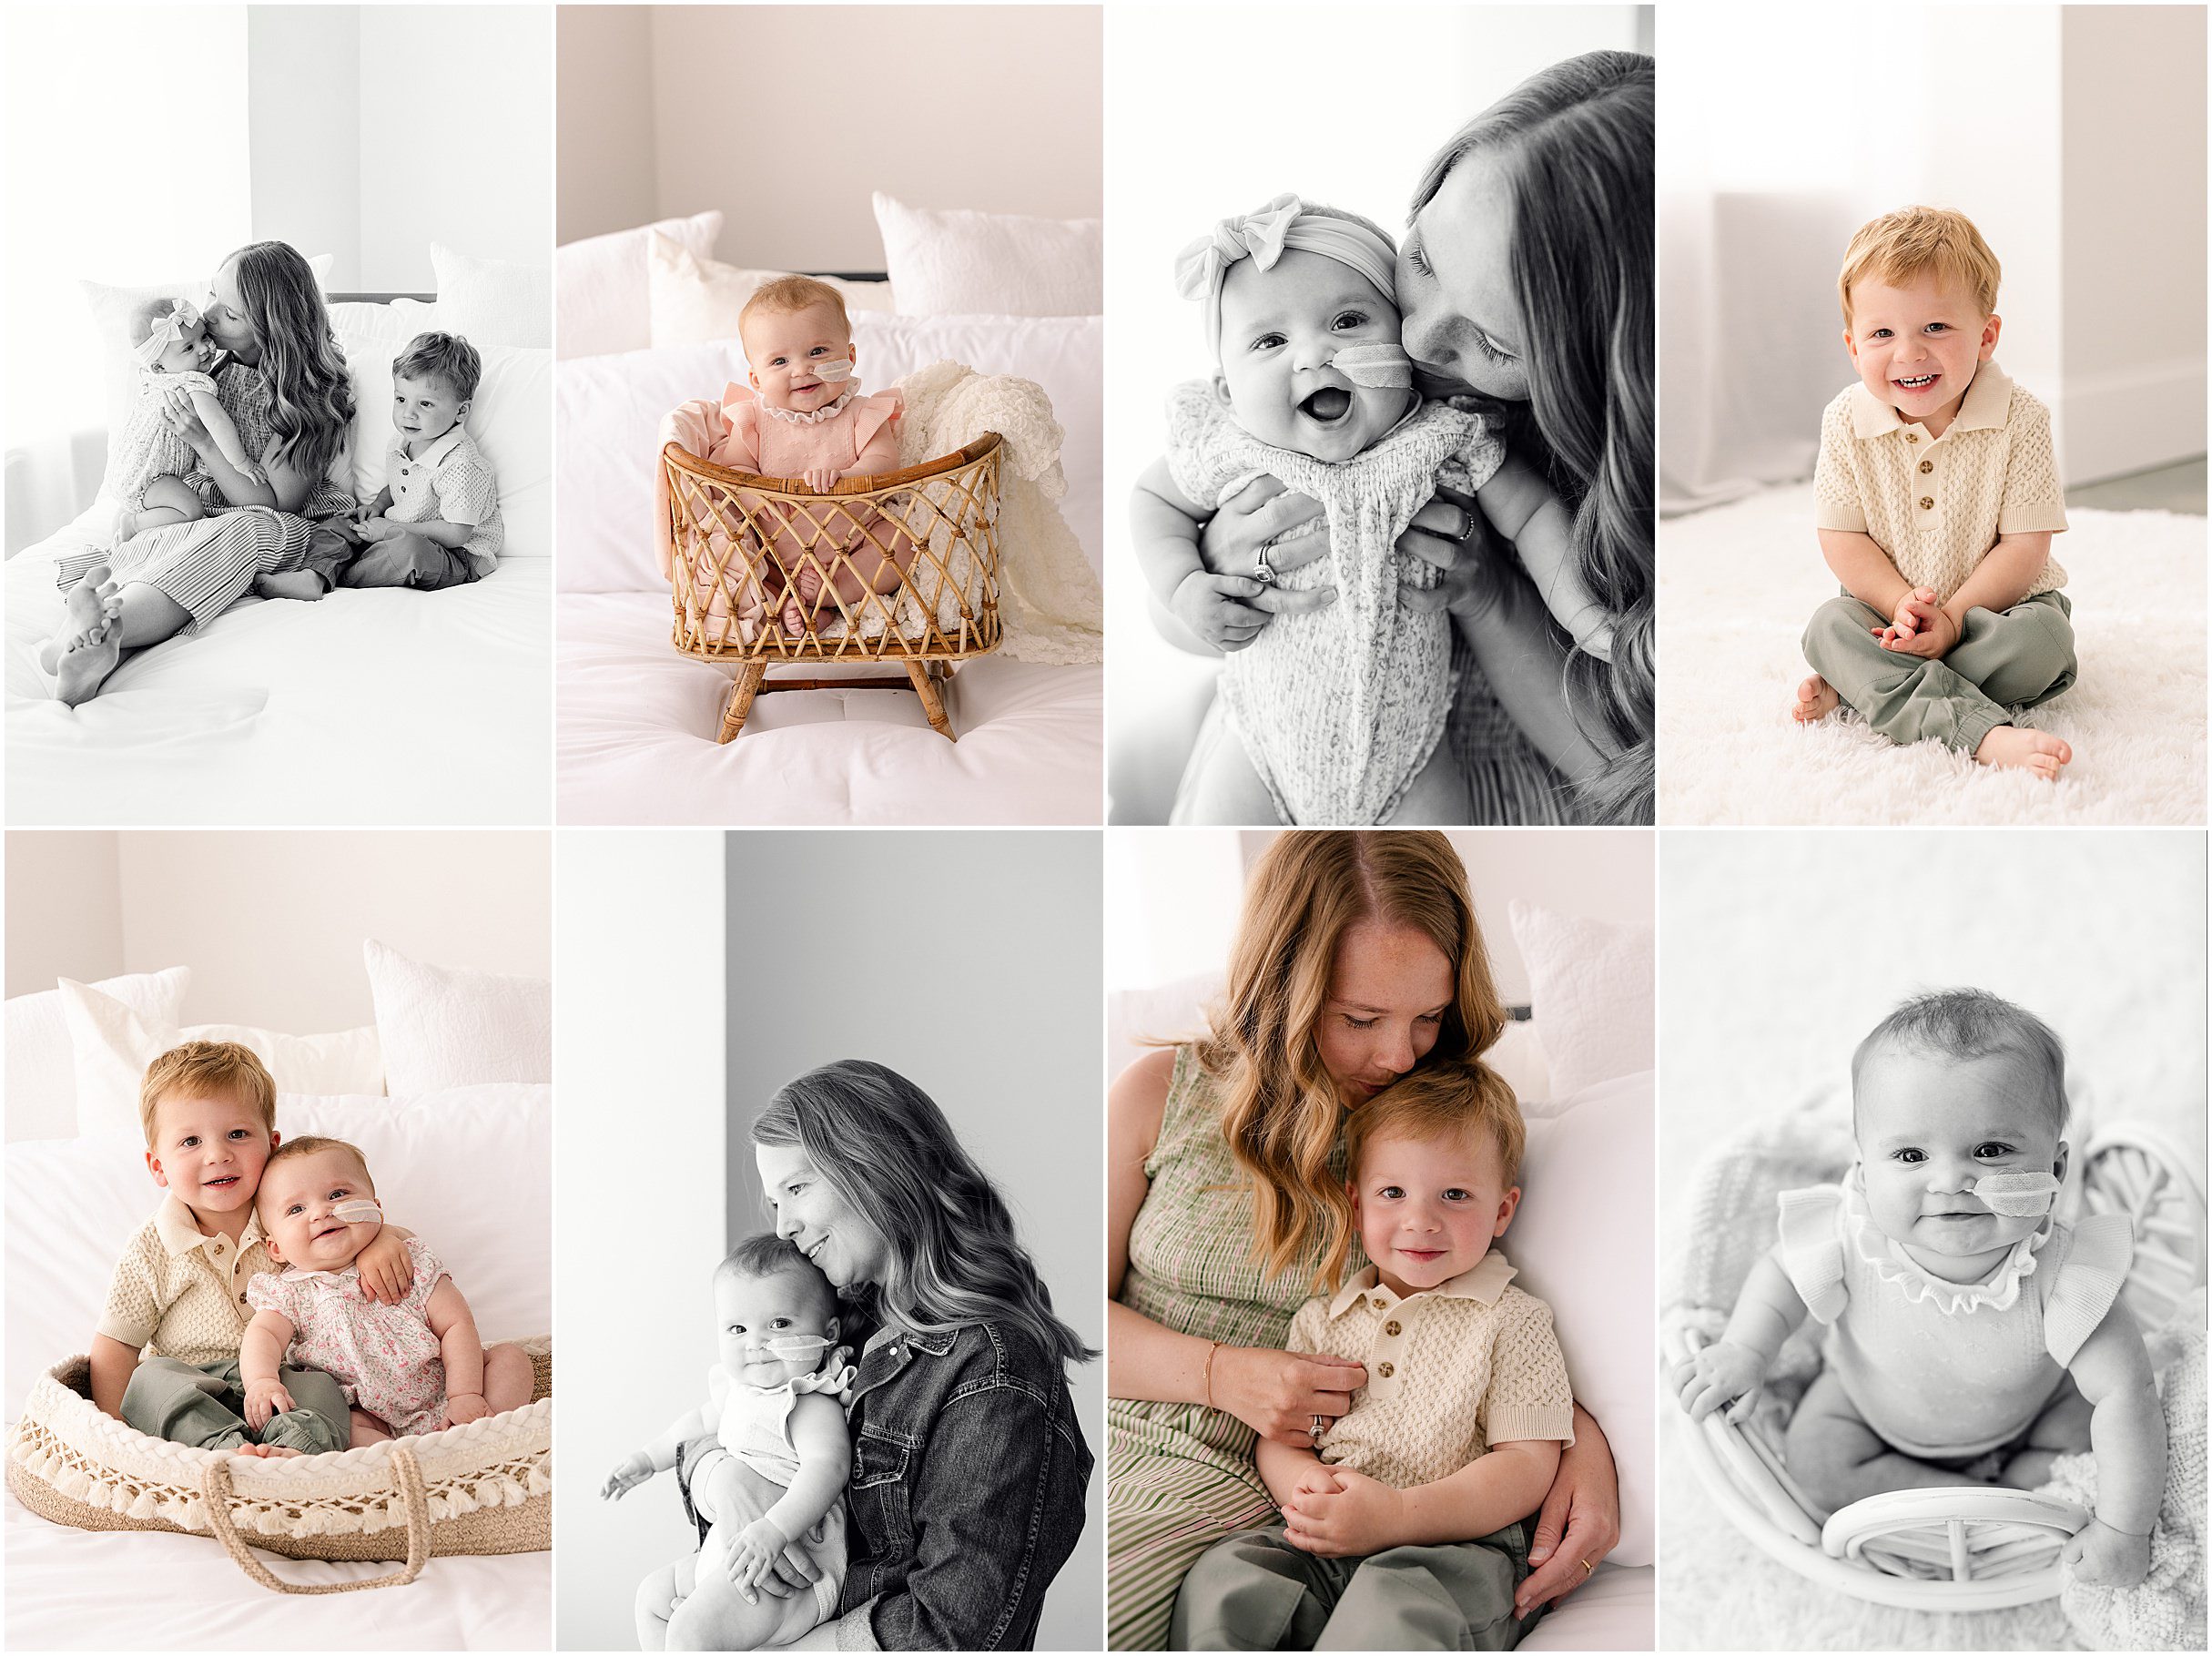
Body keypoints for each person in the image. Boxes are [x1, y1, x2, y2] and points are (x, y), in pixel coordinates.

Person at [1107, 830, 1621, 1648]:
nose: (1396, 1055)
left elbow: (1475, 1322)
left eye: (1429, 1016)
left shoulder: (1427, 1137)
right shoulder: (1155, 1094)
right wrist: (1219, 1373)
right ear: (1282, 989)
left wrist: (1583, 1445)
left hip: (1256, 1485)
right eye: (1360, 1018)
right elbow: (1059, 1315)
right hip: (1109, 1428)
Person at [1172, 53, 1653, 826]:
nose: (1419, 341)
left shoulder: (1479, 446)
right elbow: (1172, 590)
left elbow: (1628, 769)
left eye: (1493, 345)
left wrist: (1493, 598)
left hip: (1462, 763)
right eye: (1422, 261)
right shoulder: (1306, 359)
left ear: (1590, 369)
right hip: (1271, 737)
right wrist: (1205, 570)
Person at [1672, 989, 2160, 1587]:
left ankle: (2003, 1501)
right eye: (1910, 1154)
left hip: (2028, 1416)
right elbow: (1780, 1276)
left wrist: (2124, 1531)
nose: (1951, 1179)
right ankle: (1960, 1502)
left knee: (2085, 1435)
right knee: (1818, 1460)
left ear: (2055, 1170)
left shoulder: (2064, 1271)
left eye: (1991, 1150)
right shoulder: (1850, 1238)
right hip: (1867, 1406)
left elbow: (2126, 1393)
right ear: (1861, 1172)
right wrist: (1748, 1349)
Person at [1132, 196, 1595, 827]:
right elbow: (1153, 501)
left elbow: (1533, 513)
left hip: (1412, 756)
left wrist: (1583, 613)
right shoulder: (1232, 449)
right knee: (1238, 875)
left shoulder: (1436, 438)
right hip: (1261, 746)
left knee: (1430, 869)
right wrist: (1185, 584)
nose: (1313, 355)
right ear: (1225, 391)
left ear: (1404, 346)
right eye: (1270, 340)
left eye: (1348, 322)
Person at [672, 1059, 1091, 1650]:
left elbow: (953, 1627)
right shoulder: (840, 1323)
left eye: (796, 1188)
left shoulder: (994, 1367)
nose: (784, 1227)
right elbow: (729, 1413)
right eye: (774, 1203)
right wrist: (723, 1476)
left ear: (875, 1167)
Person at [1173, 1061, 1573, 1649]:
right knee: (1231, 1577)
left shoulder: (1512, 1318)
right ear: (1357, 1205)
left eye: (1456, 1194)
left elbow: (1527, 1465)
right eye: (1394, 1192)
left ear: (1503, 1210)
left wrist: (1402, 1515)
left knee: (1394, 1613)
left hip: (1451, 1545)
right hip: (1325, 1536)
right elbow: (1282, 1436)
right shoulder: (1323, 1318)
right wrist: (1311, 1489)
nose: (1421, 1220)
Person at [1792, 207, 2077, 779]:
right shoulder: (1845, 420)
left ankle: (1871, 690)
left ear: (1986, 336)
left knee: (2046, 641)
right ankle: (1978, 732)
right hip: (1884, 615)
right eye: (1882, 334)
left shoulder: (2021, 419)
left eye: (1936, 328)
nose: (1908, 353)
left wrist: (1950, 619)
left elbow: (2025, 549)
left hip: (1996, 613)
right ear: (1853, 347)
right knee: (1827, 629)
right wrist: (1900, 604)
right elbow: (1842, 538)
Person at [46, 240, 361, 706]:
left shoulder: (308, 395)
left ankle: (112, 628)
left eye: (230, 313)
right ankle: (72, 647)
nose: (209, 315)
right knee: (168, 535)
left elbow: (274, 504)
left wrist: (204, 441)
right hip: (206, 507)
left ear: (272, 329)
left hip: (274, 522)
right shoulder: (211, 366)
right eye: (213, 295)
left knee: (233, 531)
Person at [88, 1042, 413, 1456]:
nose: (218, 1155)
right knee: (149, 1380)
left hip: (282, 1383)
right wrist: (114, 1433)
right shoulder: (151, 1249)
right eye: (190, 1141)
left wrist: (380, 1239)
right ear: (158, 1166)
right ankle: (221, 1452)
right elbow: (116, 1346)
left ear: (272, 1144)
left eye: (237, 1134)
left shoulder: (293, 1216)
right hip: (195, 1388)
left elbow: (358, 1225)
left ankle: (294, 1450)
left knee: (323, 1385)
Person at [605, 1236, 853, 1651]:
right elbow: (698, 1423)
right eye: (738, 1329)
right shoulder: (739, 1391)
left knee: (689, 1633)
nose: (754, 1343)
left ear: (827, 1332)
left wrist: (775, 1529)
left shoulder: (806, 1399)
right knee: (651, 1596)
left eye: (779, 1324)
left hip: (791, 1560)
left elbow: (828, 1467)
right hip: (732, 1551)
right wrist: (649, 1458)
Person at [658, 277, 914, 643]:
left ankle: (833, 593)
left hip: (855, 540)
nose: (801, 369)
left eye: (818, 352)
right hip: (776, 549)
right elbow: (734, 472)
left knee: (901, 544)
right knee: (738, 556)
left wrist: (846, 475)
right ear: (757, 379)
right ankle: (789, 601)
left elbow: (886, 461)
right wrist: (760, 494)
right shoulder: (753, 419)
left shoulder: (863, 412)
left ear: (851, 357)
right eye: (779, 361)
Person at [240, 1134, 533, 1448]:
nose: (321, 1212)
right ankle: (406, 1462)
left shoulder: (409, 1259)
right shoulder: (290, 1293)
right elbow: (264, 1336)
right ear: (275, 1248)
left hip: (450, 1392)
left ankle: (476, 1441)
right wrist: (262, 1381)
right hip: (367, 1414)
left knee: (511, 1359)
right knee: (339, 1427)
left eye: (338, 1194)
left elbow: (455, 1324)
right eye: (296, 1209)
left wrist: (464, 1393)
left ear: (376, 1210)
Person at [259, 330, 503, 599]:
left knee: (405, 553)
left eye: (425, 404)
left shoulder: (460, 464)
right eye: (401, 399)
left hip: (457, 556)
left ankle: (336, 576)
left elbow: (457, 532)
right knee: (340, 523)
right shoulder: (401, 443)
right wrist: (377, 507)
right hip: (404, 531)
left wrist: (392, 529)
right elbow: (399, 485)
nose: (408, 413)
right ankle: (312, 576)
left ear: (461, 411)